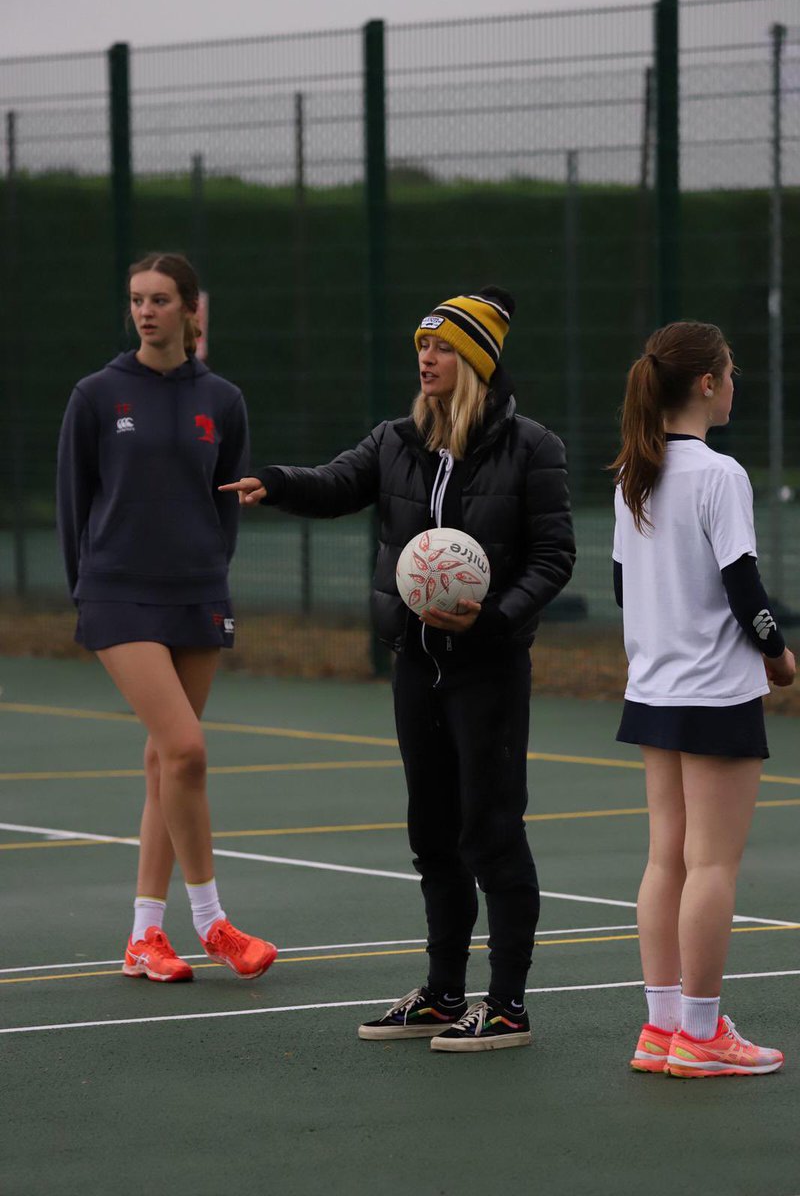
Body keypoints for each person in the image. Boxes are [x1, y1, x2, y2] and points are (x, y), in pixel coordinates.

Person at [221, 287, 575, 1050]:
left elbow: (554, 557)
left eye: (444, 346)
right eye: (422, 345)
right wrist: (276, 481)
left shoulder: (531, 448)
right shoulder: (395, 441)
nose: (427, 357)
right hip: (416, 665)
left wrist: (495, 619)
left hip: (488, 668)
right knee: (433, 834)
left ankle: (507, 1003)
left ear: (476, 361)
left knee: (492, 831)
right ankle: (444, 994)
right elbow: (336, 482)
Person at [56, 252, 277, 983]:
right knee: (185, 750)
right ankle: (212, 922)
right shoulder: (95, 395)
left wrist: (211, 571)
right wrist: (83, 592)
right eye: (136, 300)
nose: (145, 312)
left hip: (197, 593)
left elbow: (226, 501)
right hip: (117, 592)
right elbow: (72, 505)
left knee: (163, 766)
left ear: (191, 311)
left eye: (159, 300)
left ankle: (144, 936)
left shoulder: (225, 398)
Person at [610, 320, 795, 1078]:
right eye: (731, 370)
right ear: (708, 384)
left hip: (654, 689)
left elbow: (626, 588)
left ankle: (661, 1029)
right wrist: (779, 657)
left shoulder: (633, 473)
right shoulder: (720, 475)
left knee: (668, 860)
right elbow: (744, 589)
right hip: (714, 695)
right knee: (712, 865)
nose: (734, 383)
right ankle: (703, 1033)